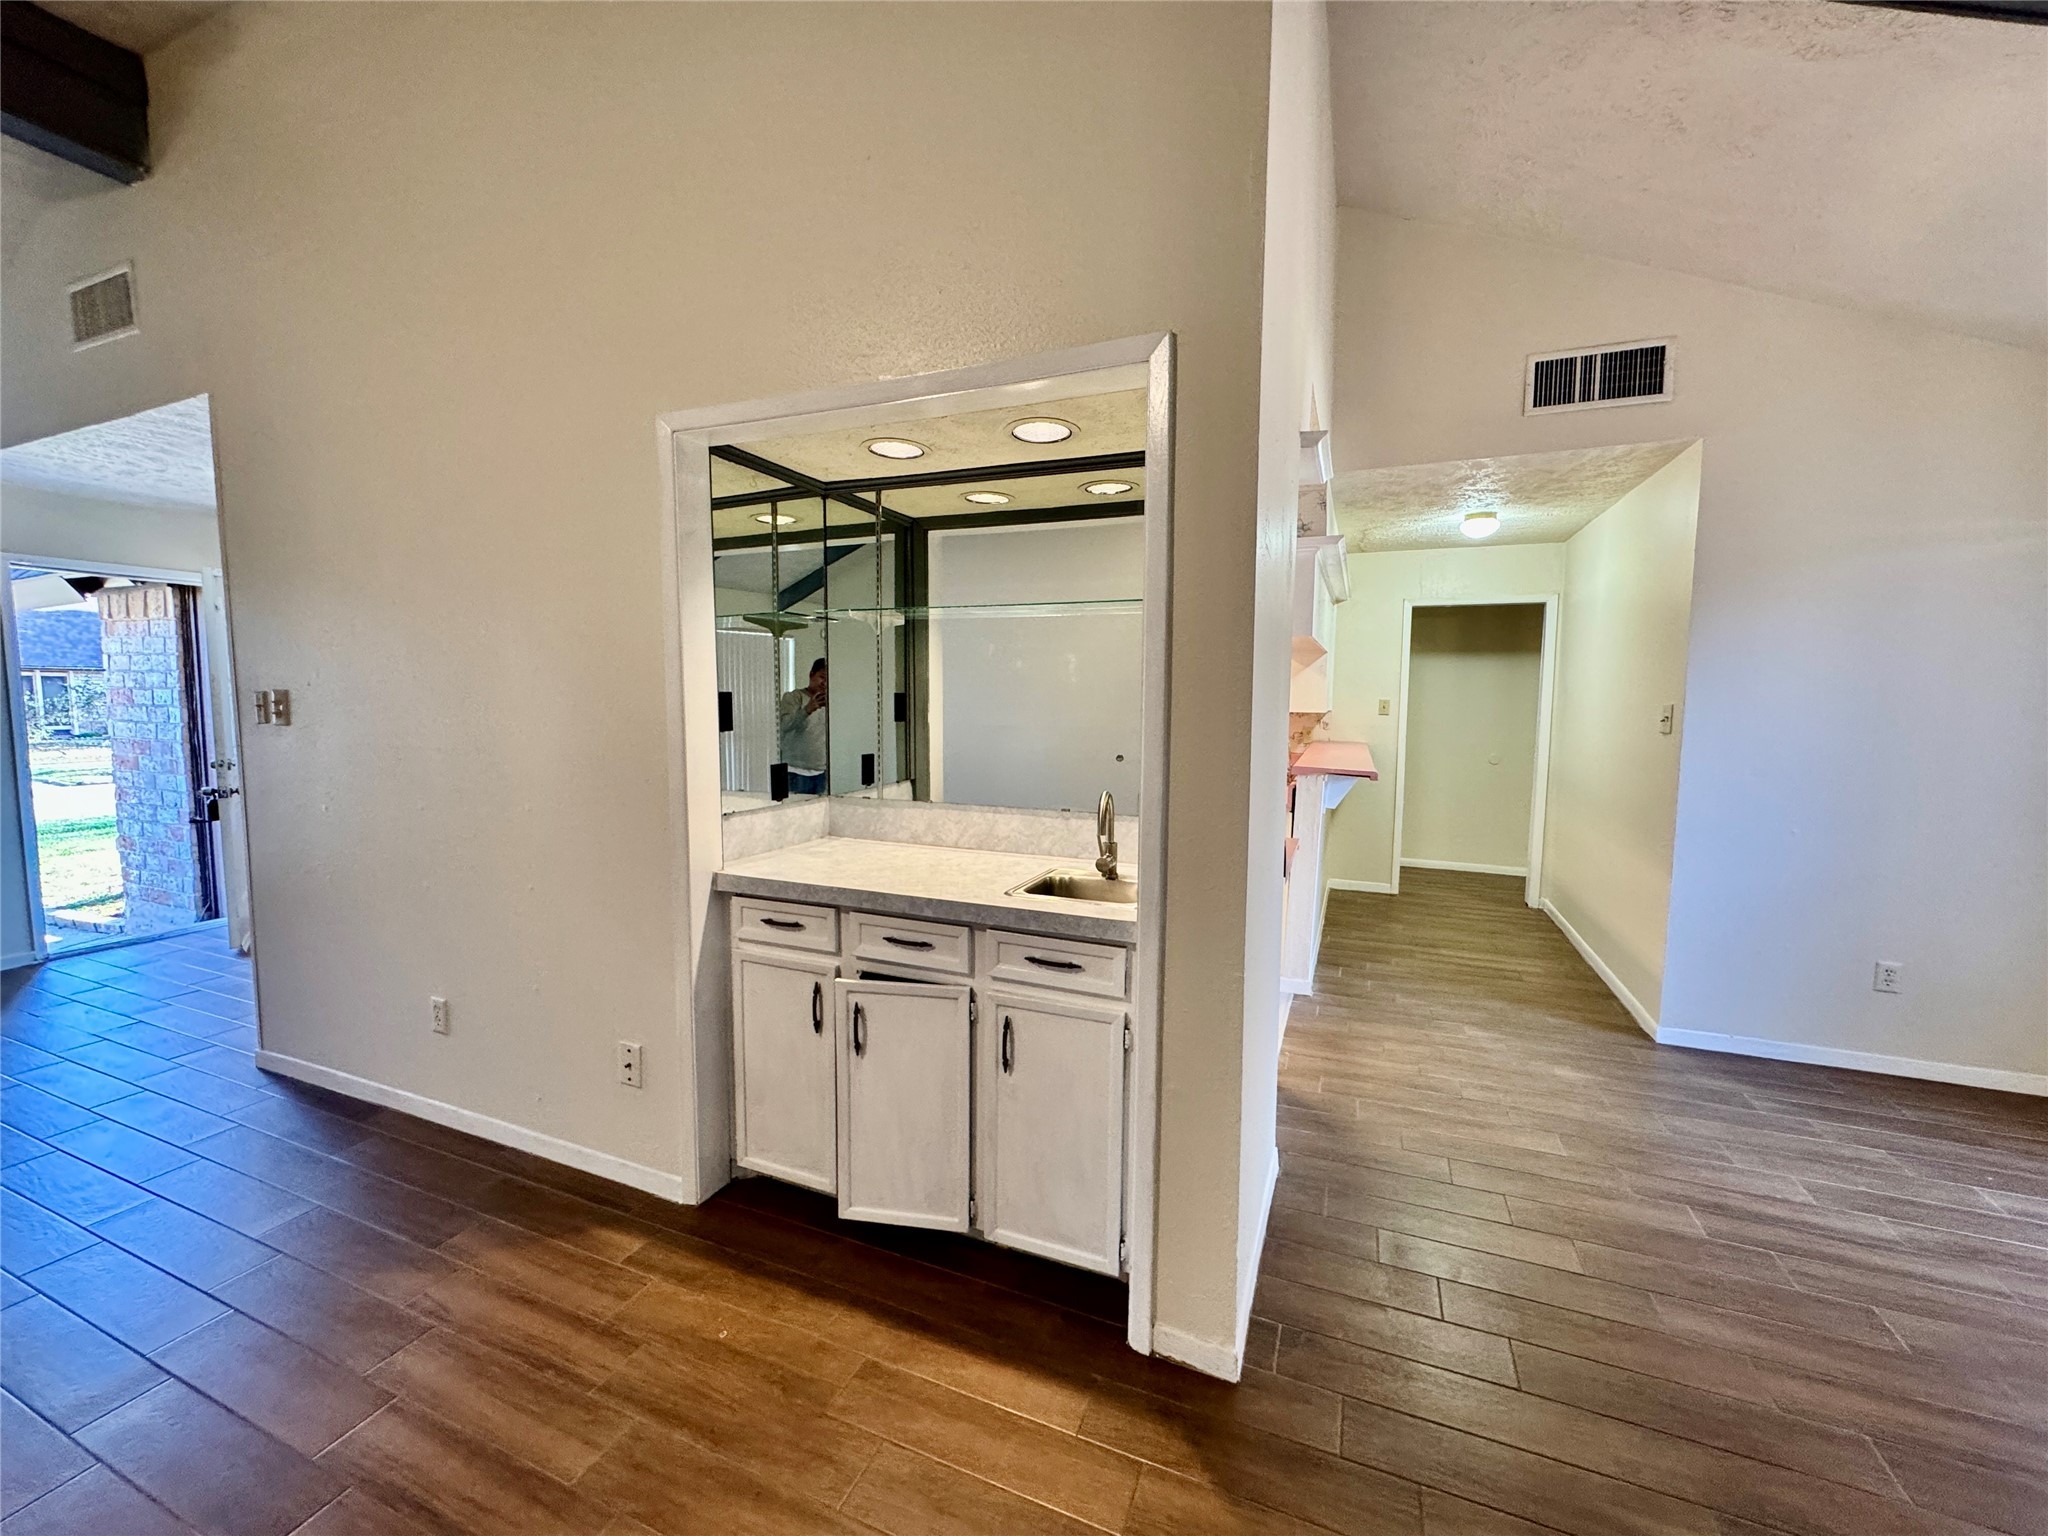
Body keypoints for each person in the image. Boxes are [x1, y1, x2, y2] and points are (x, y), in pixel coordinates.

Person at [777, 657, 829, 794]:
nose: (825, 683)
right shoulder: (793, 697)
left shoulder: (831, 701)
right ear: (811, 674)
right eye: (822, 677)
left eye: (829, 679)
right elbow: (783, 726)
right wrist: (807, 709)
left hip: (822, 772)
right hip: (795, 772)